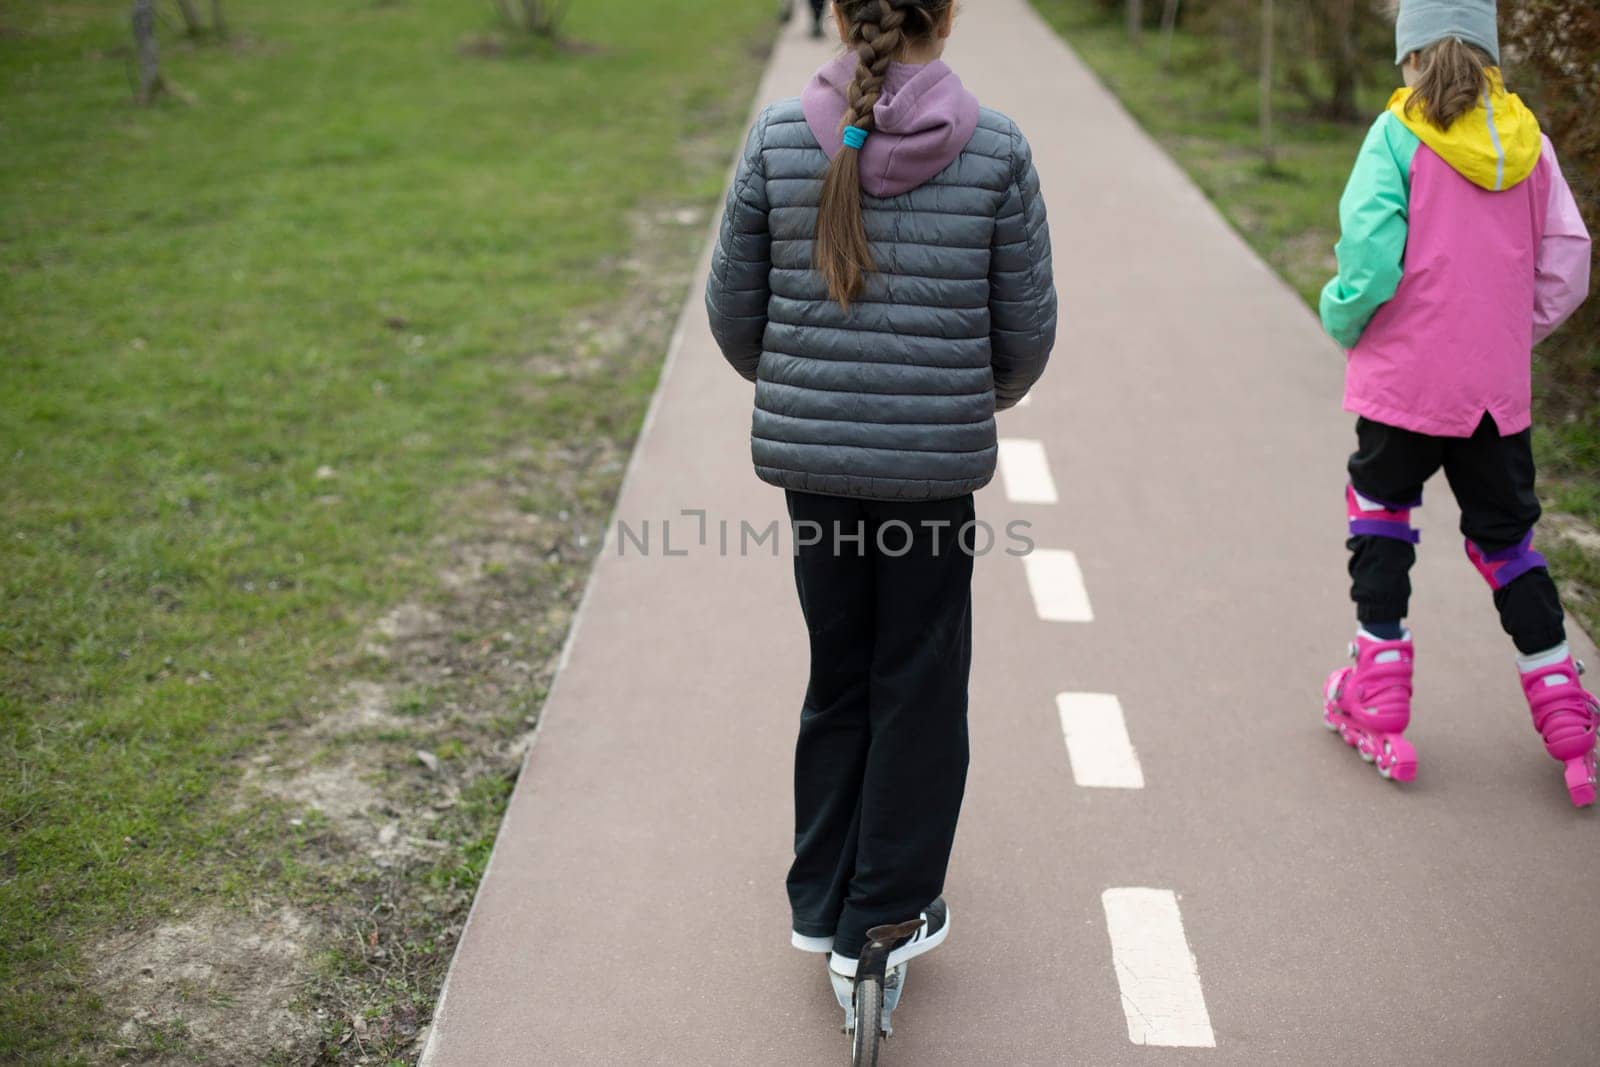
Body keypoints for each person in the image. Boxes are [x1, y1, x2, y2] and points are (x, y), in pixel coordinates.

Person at [705, 0, 1056, 976]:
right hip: (930, 477)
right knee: (919, 676)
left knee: (840, 668)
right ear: (944, 17)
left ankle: (821, 902)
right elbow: (1024, 334)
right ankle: (889, 903)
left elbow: (734, 313)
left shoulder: (780, 136)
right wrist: (954, 397)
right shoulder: (993, 147)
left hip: (813, 470)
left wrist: (807, 389)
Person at [1319, 0, 1595, 805]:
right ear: (1490, 51)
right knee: (1509, 542)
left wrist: (1342, 315)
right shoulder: (1530, 144)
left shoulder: (1396, 133)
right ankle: (1567, 710)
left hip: (1404, 383)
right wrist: (1511, 334)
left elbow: (1369, 260)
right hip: (1493, 394)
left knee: (1381, 515)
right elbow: (1568, 266)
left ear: (1409, 52)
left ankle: (1379, 687)